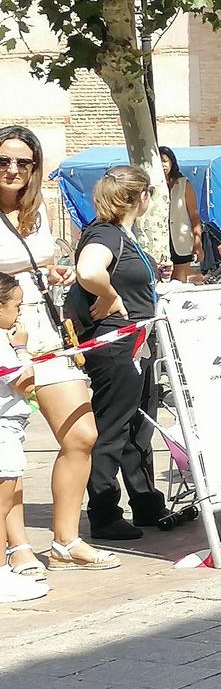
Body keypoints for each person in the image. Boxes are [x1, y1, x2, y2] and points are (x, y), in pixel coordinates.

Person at [0, 126, 104, 566]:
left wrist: (53, 271)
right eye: (4, 160)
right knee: (8, 447)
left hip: (44, 327)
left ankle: (65, 539)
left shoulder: (38, 209)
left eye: (24, 162)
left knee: (82, 433)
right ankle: (18, 545)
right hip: (5, 333)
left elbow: (42, 258)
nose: (13, 170)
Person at [66, 165, 166, 541]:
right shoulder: (105, 233)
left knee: (139, 426)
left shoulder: (123, 235)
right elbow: (88, 270)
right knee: (113, 427)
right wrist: (111, 296)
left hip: (136, 343)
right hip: (117, 344)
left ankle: (146, 501)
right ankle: (105, 511)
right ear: (140, 197)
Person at [0, 275, 49, 602]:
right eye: (15, 306)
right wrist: (22, 348)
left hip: (9, 429)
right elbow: (24, 382)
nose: (19, 314)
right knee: (1, 507)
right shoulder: (4, 343)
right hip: (3, 430)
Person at [160, 147, 202, 281]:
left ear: (172, 162)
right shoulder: (149, 186)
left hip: (180, 240)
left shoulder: (184, 184)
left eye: (165, 161)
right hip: (160, 240)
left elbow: (194, 215)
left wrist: (197, 242)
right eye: (159, 161)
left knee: (180, 280)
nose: (162, 165)